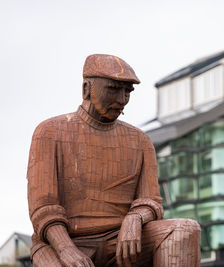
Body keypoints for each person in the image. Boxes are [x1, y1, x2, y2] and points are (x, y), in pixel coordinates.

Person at [27, 54, 200, 267]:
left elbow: (151, 202)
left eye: (127, 92)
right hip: (62, 242)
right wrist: (67, 250)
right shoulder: (49, 132)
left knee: (184, 230)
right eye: (113, 89)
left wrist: (135, 218)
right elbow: (44, 209)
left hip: (123, 242)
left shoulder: (140, 141)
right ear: (86, 88)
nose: (121, 99)